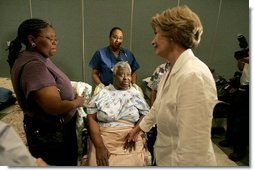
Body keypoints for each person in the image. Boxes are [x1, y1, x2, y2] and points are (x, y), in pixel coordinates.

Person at [126, 5, 218, 166]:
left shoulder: (194, 76)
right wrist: (139, 128)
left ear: (172, 34)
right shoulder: (171, 69)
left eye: (156, 33)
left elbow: (194, 150)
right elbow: (158, 107)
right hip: (166, 158)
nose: (152, 41)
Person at [7, 18, 84, 166]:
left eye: (56, 39)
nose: (55, 42)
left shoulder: (34, 56)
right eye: (50, 38)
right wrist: (76, 102)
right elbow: (54, 107)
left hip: (50, 130)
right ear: (32, 40)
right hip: (51, 134)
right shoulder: (34, 67)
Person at [86, 61, 150, 166]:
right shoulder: (103, 93)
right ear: (114, 76)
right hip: (104, 137)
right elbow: (91, 118)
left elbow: (147, 115)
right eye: (121, 74)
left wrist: (136, 130)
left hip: (130, 137)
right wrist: (99, 146)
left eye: (128, 75)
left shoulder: (135, 94)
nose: (126, 78)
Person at [219, 57, 249, 161]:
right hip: (243, 86)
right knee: (232, 114)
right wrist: (241, 62)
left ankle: (240, 150)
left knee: (242, 121)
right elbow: (242, 67)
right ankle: (229, 140)